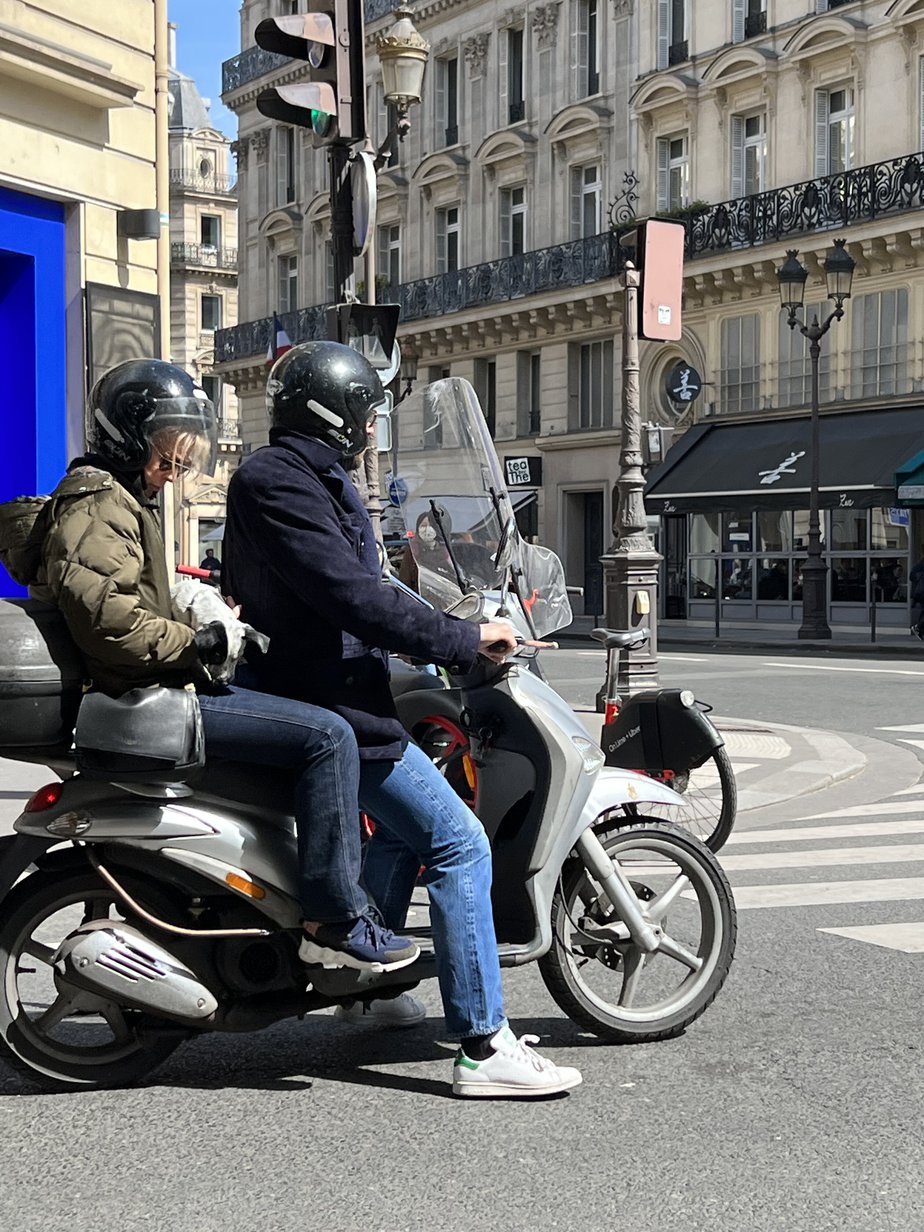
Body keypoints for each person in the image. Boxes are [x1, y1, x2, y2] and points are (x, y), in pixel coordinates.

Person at [223, 341, 582, 1099]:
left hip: (340, 689)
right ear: (337, 411)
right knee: (460, 843)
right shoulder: (278, 479)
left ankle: (377, 987)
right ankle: (485, 1044)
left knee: (403, 835)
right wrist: (457, 641)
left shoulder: (314, 477)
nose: (370, 424)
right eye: (366, 410)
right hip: (326, 701)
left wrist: (451, 617)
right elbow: (347, 594)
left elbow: (376, 581)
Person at [30, 358, 416, 974]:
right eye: (166, 453)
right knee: (327, 736)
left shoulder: (117, 501)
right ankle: (333, 918)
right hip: (139, 698)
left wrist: (202, 606)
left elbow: (132, 594)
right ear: (127, 437)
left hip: (143, 689)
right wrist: (203, 641)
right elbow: (111, 625)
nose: (174, 470)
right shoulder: (99, 506)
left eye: (183, 458)